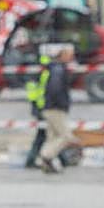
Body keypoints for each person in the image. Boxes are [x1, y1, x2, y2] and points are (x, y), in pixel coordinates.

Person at [36, 46, 74, 174]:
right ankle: (45, 156)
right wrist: (61, 102)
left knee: (52, 137)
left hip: (48, 106)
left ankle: (46, 163)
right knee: (65, 136)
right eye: (69, 55)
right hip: (55, 108)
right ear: (62, 55)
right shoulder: (58, 69)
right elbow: (55, 88)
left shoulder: (52, 68)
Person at [24, 55, 50, 168]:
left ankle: (31, 159)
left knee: (46, 134)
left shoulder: (35, 75)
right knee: (45, 134)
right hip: (44, 108)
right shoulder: (44, 75)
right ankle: (31, 159)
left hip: (41, 108)